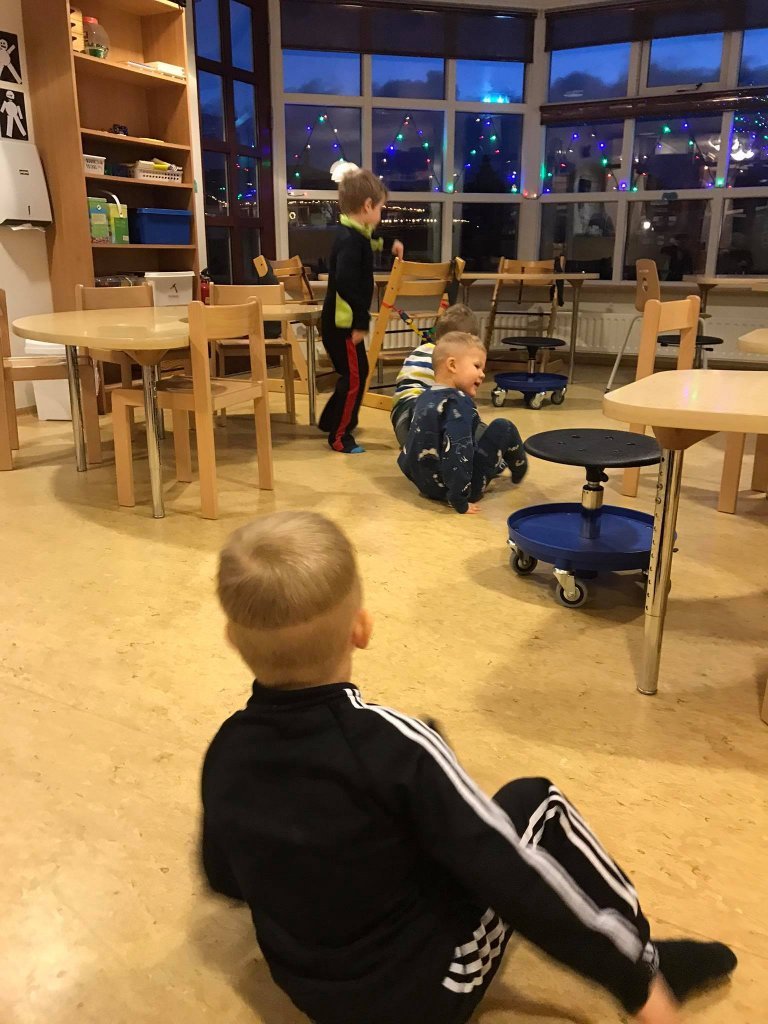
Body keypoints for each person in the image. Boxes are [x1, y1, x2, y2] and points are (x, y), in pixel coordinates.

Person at [201, 510, 737, 1024]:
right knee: (538, 803)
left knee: (418, 795)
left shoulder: (227, 748)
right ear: (361, 629)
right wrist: (632, 982)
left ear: (231, 640)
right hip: (421, 997)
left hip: (307, 988)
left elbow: (226, 877)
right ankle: (646, 963)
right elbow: (513, 879)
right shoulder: (398, 747)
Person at [319, 168, 403, 454]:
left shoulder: (356, 234)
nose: (381, 213)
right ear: (368, 206)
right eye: (380, 208)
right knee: (355, 377)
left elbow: (372, 241)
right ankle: (340, 435)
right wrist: (360, 320)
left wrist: (390, 244)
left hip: (341, 322)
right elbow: (344, 282)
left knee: (354, 373)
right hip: (343, 323)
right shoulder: (350, 241)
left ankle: (331, 420)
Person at [398, 331, 527, 514]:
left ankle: (496, 465)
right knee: (503, 427)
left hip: (426, 485)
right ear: (452, 365)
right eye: (477, 366)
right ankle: (519, 469)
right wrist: (459, 499)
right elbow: (458, 451)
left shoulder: (424, 397)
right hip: (455, 489)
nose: (482, 374)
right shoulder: (458, 403)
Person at [391, 303, 479, 447]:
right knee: (466, 414)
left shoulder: (420, 350)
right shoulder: (449, 359)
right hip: (422, 414)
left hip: (401, 418)